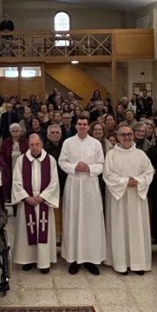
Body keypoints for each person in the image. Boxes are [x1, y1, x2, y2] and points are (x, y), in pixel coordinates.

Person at [102, 126, 155, 275]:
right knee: (120, 229)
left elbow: (149, 172)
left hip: (136, 199)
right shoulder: (111, 155)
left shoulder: (140, 154)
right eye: (123, 135)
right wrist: (125, 182)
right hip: (119, 199)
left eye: (129, 134)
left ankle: (138, 264)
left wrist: (138, 181)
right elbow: (107, 175)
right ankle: (121, 263)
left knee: (136, 229)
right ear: (117, 137)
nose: (127, 137)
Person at [59, 116, 106, 275]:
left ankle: (91, 259)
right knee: (74, 220)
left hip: (90, 185)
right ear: (76, 126)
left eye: (85, 124)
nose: (82, 126)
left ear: (88, 127)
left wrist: (89, 167)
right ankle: (74, 259)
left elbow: (101, 164)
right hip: (73, 184)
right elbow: (62, 162)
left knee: (90, 222)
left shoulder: (96, 143)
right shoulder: (68, 142)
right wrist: (74, 167)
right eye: (79, 124)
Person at [11, 133, 60, 273]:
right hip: (27, 202)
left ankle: (44, 262)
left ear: (42, 144)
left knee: (43, 232)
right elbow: (16, 182)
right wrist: (26, 197)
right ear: (28, 145)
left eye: (37, 144)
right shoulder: (21, 160)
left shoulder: (50, 160)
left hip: (43, 202)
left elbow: (54, 183)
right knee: (27, 232)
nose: (34, 147)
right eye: (32, 145)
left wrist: (42, 197)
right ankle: (28, 259)